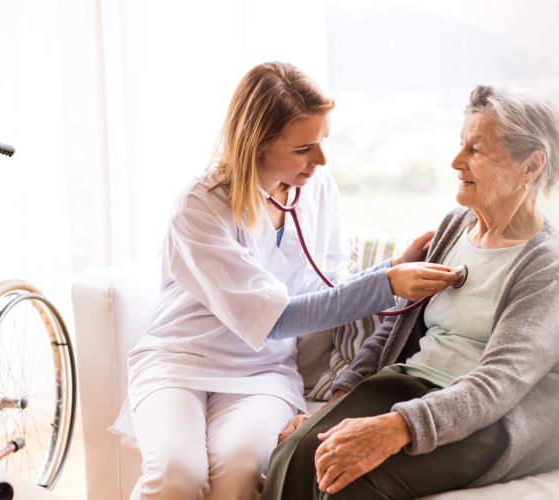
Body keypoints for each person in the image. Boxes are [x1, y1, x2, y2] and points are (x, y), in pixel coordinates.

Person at [112, 61, 458, 500]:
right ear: (256, 145)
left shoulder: (318, 189)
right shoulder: (200, 205)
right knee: (177, 477)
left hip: (262, 371)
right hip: (180, 362)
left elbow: (326, 289)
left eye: (323, 141)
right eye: (303, 149)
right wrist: (388, 282)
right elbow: (275, 319)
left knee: (239, 475)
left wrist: (392, 267)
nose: (320, 160)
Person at [262, 85, 559, 500]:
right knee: (292, 454)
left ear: (531, 166)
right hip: (412, 384)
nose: (456, 162)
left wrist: (394, 428)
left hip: (493, 418)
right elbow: (394, 327)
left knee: (344, 483)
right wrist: (334, 404)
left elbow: (498, 385)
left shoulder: (548, 266)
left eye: (476, 150)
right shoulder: (456, 226)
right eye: (461, 145)